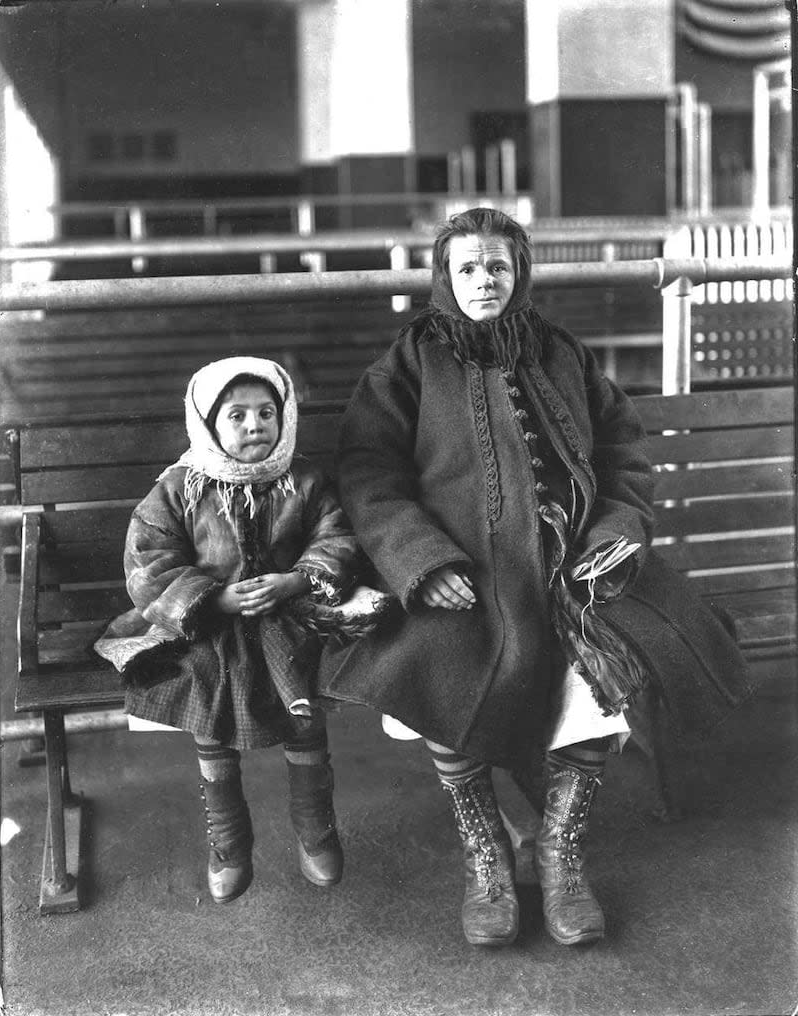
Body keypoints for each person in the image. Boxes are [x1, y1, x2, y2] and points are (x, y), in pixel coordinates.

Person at [319, 208, 751, 948]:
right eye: (468, 268)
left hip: (577, 567)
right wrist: (420, 560)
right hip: (463, 572)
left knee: (612, 667)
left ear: (519, 273)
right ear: (444, 278)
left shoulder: (561, 351)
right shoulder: (411, 361)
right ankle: (487, 855)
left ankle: (559, 853)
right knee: (432, 666)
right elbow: (368, 472)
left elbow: (624, 454)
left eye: (498, 266)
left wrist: (618, 532)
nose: (484, 280)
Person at [95, 356, 365, 904]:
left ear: (284, 418)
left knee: (303, 700)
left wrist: (295, 581)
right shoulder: (179, 487)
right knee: (207, 697)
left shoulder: (306, 480)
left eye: (267, 412)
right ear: (207, 423)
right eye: (236, 415)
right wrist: (211, 596)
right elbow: (149, 562)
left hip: (291, 618)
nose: (254, 425)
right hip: (207, 627)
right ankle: (229, 839)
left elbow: (337, 538)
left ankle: (315, 827)